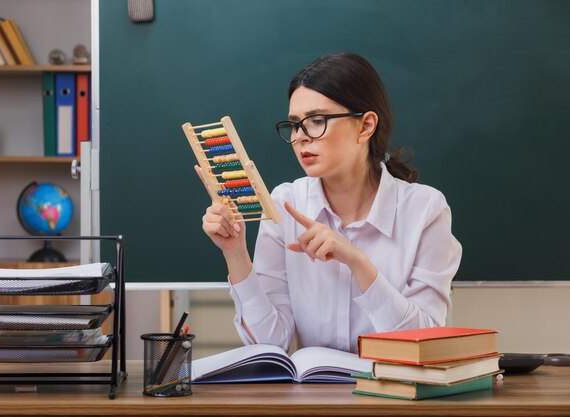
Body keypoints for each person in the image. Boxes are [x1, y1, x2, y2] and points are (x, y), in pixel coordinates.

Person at [196, 52, 462, 354]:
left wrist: (357, 261)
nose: (300, 138)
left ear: (365, 126)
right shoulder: (284, 204)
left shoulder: (425, 210)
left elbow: (425, 344)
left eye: (317, 121)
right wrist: (235, 254)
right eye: (295, 125)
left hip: (395, 397)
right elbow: (271, 344)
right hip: (313, 398)